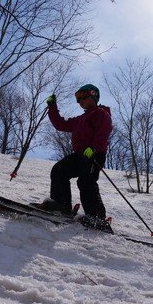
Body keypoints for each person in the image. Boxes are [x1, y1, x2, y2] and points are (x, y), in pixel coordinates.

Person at [38, 84, 113, 230]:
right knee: (59, 170)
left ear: (93, 95)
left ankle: (97, 217)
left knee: (86, 182)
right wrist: (52, 106)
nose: (80, 100)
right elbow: (61, 124)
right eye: (77, 97)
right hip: (80, 155)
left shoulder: (101, 113)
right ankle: (61, 205)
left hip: (94, 154)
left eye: (83, 95)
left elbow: (104, 131)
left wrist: (94, 148)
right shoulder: (80, 119)